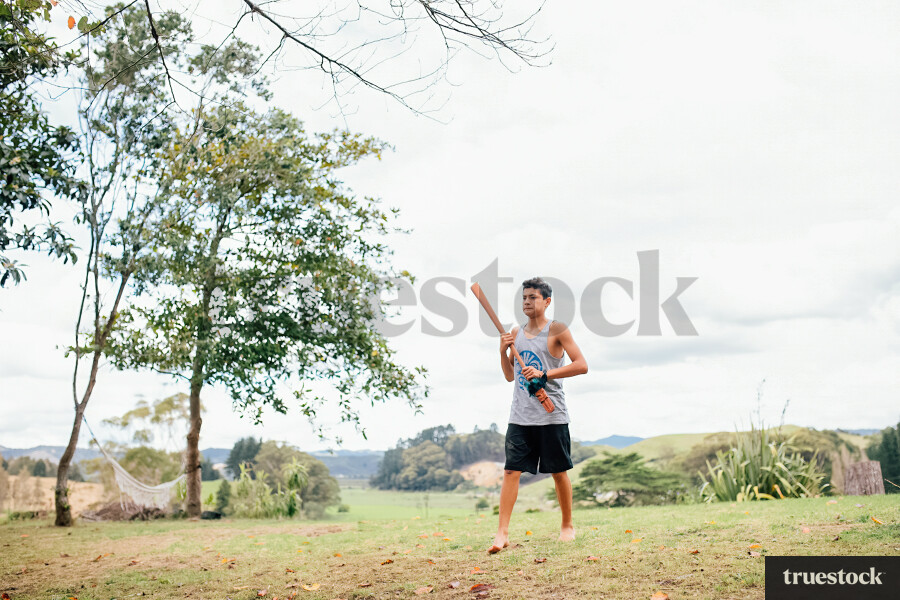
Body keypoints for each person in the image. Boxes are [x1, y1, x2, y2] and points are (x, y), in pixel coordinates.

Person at [488, 277, 588, 554]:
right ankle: (502, 533)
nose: (527, 302)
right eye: (524, 298)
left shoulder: (557, 330)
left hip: (551, 413)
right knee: (511, 471)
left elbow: (582, 365)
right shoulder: (515, 332)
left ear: (547, 301)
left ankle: (567, 526)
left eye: (533, 297)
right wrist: (502, 351)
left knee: (558, 471)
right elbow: (510, 376)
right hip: (520, 415)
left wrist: (545, 374)